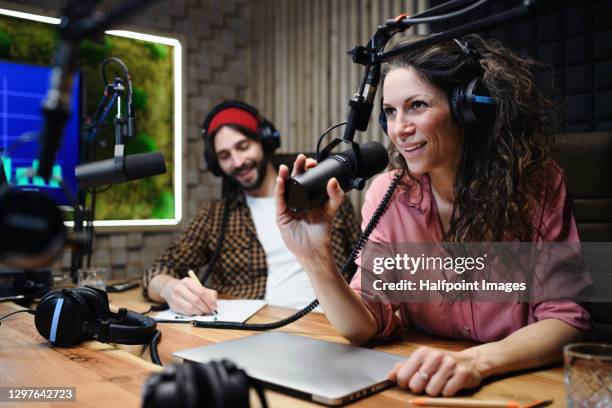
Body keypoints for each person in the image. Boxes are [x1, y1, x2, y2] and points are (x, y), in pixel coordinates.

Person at [275, 35, 592, 397]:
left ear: (467, 108)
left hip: (518, 387)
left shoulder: (537, 185)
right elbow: (363, 325)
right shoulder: (387, 193)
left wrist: (476, 362)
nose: (399, 129)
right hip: (420, 386)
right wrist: (315, 258)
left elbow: (565, 320)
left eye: (417, 105)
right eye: (391, 112)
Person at [142, 101, 360, 315]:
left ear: (263, 142)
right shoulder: (214, 216)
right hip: (255, 332)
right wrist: (170, 289)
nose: (237, 162)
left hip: (333, 325)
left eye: (243, 146)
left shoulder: (327, 196)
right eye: (225, 156)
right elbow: (158, 270)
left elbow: (367, 264)